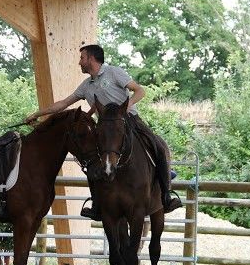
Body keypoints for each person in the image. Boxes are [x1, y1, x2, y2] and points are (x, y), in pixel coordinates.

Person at [25, 44, 182, 221]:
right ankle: (96, 204)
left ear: (91, 59)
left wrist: (125, 108)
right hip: (104, 131)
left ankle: (166, 195)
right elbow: (63, 103)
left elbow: (140, 91)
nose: (80, 62)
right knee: (92, 160)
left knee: (159, 145)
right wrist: (37, 114)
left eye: (82, 58)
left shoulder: (114, 72)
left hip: (129, 120)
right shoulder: (86, 86)